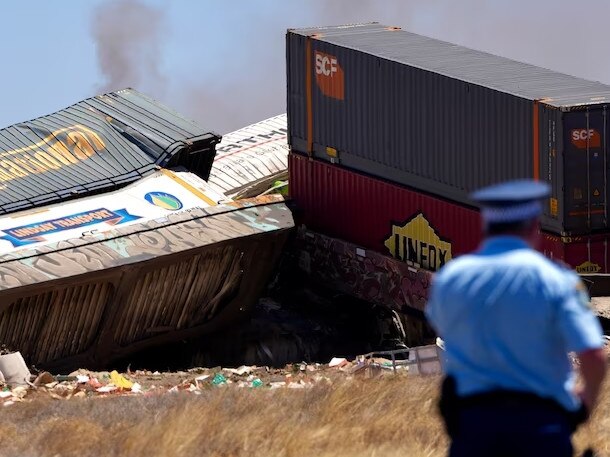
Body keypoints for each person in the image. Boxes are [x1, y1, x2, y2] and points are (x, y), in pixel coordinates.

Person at [425, 179, 607, 457]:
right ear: (535, 226)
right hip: (541, 430)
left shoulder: (450, 278)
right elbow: (593, 355)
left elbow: (444, 329)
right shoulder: (558, 281)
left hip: (474, 430)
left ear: (486, 226)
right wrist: (585, 404)